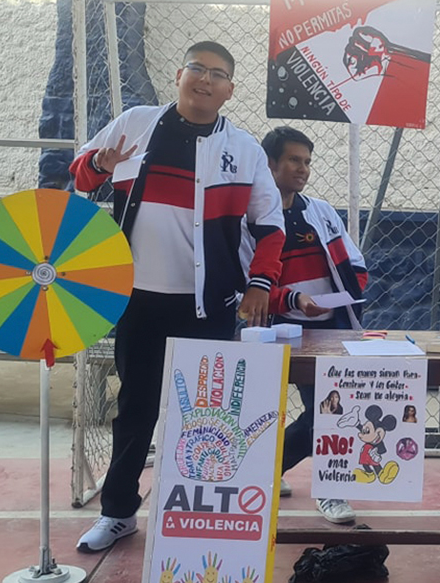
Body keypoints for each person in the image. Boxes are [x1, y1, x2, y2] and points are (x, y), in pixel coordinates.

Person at [71, 41, 285, 553]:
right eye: (197, 68)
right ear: (178, 74)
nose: (205, 79)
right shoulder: (135, 123)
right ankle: (118, 513)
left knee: (206, 417)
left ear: (230, 90)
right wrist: (100, 162)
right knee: (136, 407)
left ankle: (196, 519)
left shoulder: (245, 150)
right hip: (138, 299)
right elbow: (79, 177)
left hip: (208, 306)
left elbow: (271, 227)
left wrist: (260, 283)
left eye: (218, 74)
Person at [252, 126, 367, 523]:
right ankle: (267, 470)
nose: (303, 169)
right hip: (273, 329)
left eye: (307, 162)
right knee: (260, 414)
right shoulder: (253, 218)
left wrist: (342, 297)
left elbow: (354, 263)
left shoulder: (320, 212)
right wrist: (294, 301)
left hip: (329, 331)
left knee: (330, 413)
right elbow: (250, 283)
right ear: (270, 164)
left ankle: (330, 490)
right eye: (293, 161)